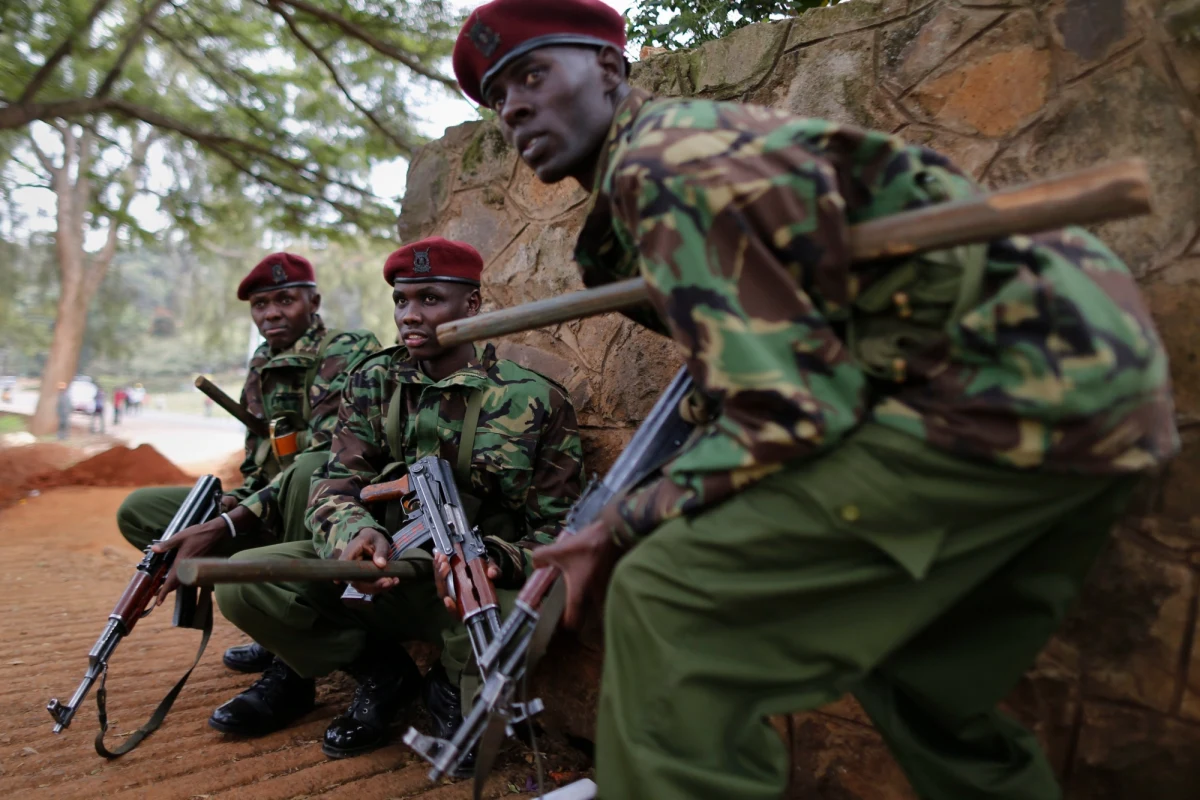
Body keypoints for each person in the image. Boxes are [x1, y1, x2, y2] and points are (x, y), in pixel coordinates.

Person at [451, 2, 1180, 799]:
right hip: (1096, 387)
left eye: (532, 75)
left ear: (609, 67)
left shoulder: (664, 164)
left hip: (999, 388)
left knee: (669, 596)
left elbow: (786, 409)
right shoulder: (685, 152)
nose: (514, 108)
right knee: (923, 670)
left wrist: (622, 520)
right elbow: (773, 377)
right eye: (498, 97)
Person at [210, 238, 584, 767]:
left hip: (463, 589)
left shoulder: (535, 400)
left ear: (472, 304)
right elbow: (335, 483)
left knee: (540, 606)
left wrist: (495, 558)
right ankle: (381, 673)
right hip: (380, 571)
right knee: (244, 583)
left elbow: (561, 529)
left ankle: (449, 689)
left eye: (430, 299)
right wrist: (354, 536)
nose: (410, 315)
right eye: (401, 300)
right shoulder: (373, 380)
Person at [117, 252, 380, 673]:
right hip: (270, 510)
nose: (271, 313)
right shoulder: (262, 362)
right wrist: (229, 504)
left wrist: (231, 522)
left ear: (313, 302)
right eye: (260, 305)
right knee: (142, 511)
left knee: (307, 470)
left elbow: (332, 460)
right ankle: (270, 617)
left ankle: (330, 658)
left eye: (285, 300)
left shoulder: (346, 349)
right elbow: (259, 464)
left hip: (328, 511)